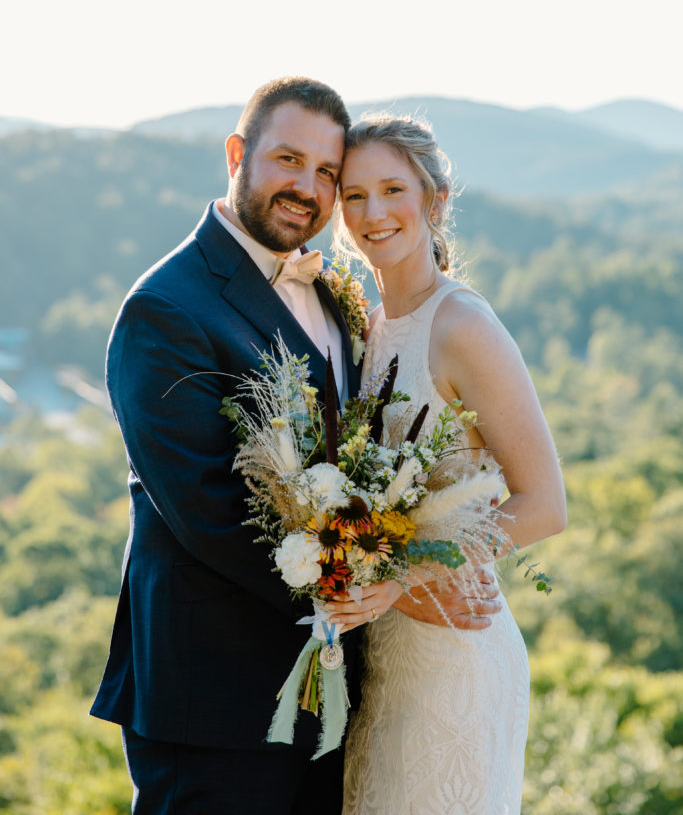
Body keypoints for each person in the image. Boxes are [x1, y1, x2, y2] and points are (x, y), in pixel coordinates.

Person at [90, 79, 501, 815]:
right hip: (215, 703)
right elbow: (210, 513)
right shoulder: (167, 309)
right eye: (287, 159)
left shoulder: (337, 294)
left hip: (333, 694)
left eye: (325, 173)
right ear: (236, 155)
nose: (305, 187)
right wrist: (379, 589)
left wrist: (406, 574)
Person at [328, 114, 568, 815]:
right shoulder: (365, 327)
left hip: (455, 654)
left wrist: (402, 576)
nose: (373, 214)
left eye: (392, 190)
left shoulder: (463, 326)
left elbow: (545, 504)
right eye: (353, 195)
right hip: (384, 654)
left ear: (434, 198)